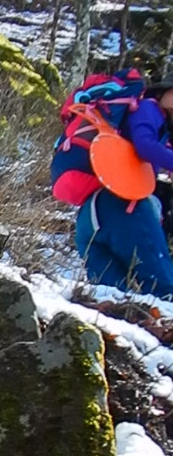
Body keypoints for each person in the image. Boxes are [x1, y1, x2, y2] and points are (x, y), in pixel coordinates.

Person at [73, 76, 173, 297]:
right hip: (124, 209)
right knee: (165, 291)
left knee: (114, 301)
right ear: (163, 91)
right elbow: (144, 145)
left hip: (91, 217)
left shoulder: (159, 127)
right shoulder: (149, 108)